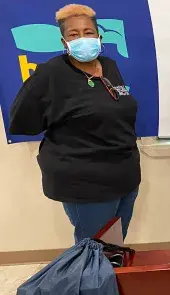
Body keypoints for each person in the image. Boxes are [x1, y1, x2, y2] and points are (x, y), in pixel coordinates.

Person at [9, 4, 140, 243]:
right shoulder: (51, 73)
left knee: (114, 246)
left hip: (125, 176)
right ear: (64, 42)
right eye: (74, 34)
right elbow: (24, 119)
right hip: (85, 182)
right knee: (92, 251)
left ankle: (110, 280)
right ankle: (89, 282)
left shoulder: (109, 65)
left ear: (99, 37)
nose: (83, 39)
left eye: (88, 33)